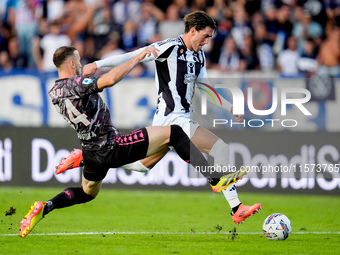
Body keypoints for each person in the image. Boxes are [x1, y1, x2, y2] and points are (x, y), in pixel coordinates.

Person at [19, 45, 247, 238]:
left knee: (87, 193)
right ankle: (215, 179)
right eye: (78, 62)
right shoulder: (76, 83)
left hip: (91, 152)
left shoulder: (54, 92)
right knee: (175, 133)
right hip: (110, 145)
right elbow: (108, 80)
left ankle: (46, 206)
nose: (80, 66)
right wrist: (137, 58)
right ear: (71, 65)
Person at [57, 11, 261, 225]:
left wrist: (230, 107)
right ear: (193, 31)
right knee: (221, 149)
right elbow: (136, 54)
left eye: (210, 37)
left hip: (174, 120)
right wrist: (98, 65)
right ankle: (236, 207)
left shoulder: (199, 55)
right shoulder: (170, 47)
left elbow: (205, 87)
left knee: (140, 167)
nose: (207, 41)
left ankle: (86, 157)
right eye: (206, 36)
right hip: (172, 119)